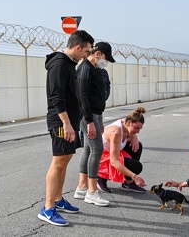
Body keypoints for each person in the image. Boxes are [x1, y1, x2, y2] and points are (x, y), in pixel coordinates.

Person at [38, 30, 94, 226]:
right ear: (78, 47)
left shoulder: (68, 64)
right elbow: (56, 97)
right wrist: (67, 123)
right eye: (86, 51)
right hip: (62, 122)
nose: (86, 56)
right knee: (58, 162)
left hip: (69, 121)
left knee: (65, 159)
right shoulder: (59, 64)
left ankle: (58, 199)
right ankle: (47, 208)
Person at [73, 42, 116, 207]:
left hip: (95, 114)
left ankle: (82, 187)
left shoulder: (95, 69)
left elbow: (98, 95)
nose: (106, 62)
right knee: (97, 149)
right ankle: (91, 191)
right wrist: (90, 121)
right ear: (98, 53)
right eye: (106, 58)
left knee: (89, 149)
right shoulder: (85, 68)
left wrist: (100, 119)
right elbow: (82, 96)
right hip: (88, 115)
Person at [96, 106, 147, 194]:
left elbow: (131, 130)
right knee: (137, 166)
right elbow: (114, 161)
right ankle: (100, 177)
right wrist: (134, 176)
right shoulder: (116, 133)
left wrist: (134, 136)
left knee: (138, 146)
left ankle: (127, 183)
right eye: (136, 128)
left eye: (140, 128)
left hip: (112, 152)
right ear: (129, 123)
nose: (138, 131)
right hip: (101, 158)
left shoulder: (126, 122)